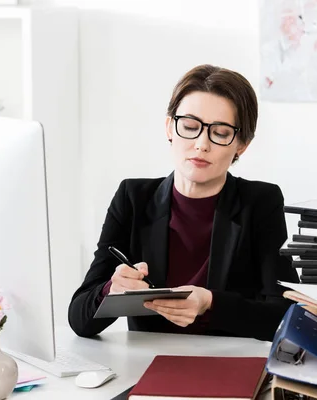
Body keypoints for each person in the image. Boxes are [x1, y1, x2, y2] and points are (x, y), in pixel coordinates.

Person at [68, 64, 299, 342]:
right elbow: (79, 319)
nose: (201, 144)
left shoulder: (261, 202)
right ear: (169, 128)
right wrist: (111, 291)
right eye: (190, 127)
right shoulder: (133, 197)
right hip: (147, 364)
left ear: (242, 145)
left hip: (228, 364)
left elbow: (285, 315)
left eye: (221, 133)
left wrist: (211, 303)